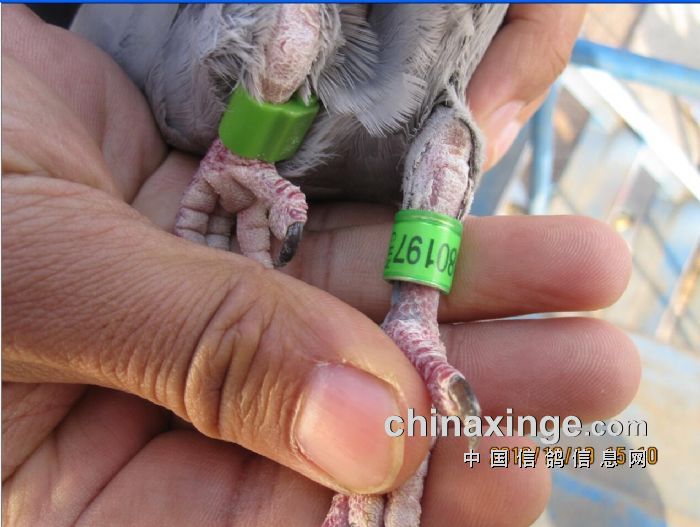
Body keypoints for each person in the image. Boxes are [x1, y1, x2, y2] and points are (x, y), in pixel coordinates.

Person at [2, 5, 640, 525]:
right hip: (389, 129)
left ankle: (405, 311)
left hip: (142, 86)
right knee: (446, 132)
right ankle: (414, 318)